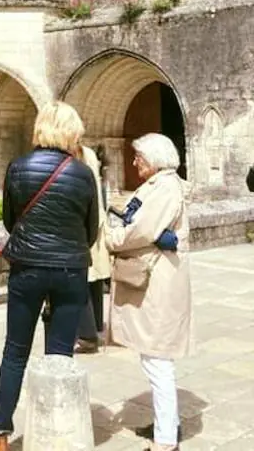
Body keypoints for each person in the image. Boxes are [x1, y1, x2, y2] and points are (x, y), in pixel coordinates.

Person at [0, 101, 98, 451]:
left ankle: (0, 431)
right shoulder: (83, 174)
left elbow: (8, 221)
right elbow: (90, 229)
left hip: (27, 267)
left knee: (15, 351)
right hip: (70, 270)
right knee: (60, 355)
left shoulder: (18, 168)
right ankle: (55, 431)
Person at [107, 133, 192, 451]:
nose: (133, 162)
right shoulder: (159, 186)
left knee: (157, 359)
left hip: (159, 282)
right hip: (156, 279)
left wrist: (113, 237)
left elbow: (142, 229)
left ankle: (167, 440)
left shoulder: (165, 188)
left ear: (154, 159)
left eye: (138, 157)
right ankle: (166, 423)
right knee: (154, 356)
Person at [74, 143, 111, 353]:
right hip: (96, 218)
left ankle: (87, 335)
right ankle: (96, 323)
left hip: (84, 222)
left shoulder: (77, 154)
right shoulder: (87, 152)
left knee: (81, 278)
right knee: (94, 277)